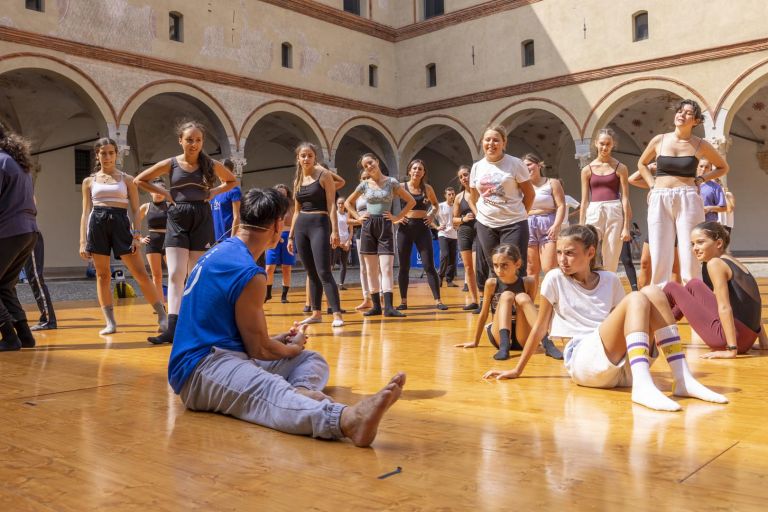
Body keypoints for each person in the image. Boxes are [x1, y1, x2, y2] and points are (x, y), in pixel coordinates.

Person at [167, 187, 406, 447]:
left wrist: (280, 343)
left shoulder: (222, 251)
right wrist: (290, 349)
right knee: (269, 389)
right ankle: (347, 420)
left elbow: (235, 332)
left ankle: (300, 394)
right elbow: (259, 349)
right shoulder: (248, 272)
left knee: (312, 360)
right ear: (277, 225)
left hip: (224, 355)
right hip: (200, 370)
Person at [483, 225, 728, 412]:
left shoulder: (610, 280)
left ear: (590, 252)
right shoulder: (554, 279)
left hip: (623, 364)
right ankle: (643, 386)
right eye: (559, 253)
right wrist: (517, 369)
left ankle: (681, 378)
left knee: (653, 292)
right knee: (637, 298)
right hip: (584, 360)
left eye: (570, 253)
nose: (562, 259)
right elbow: (539, 328)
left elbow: (627, 322)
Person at [135, 120, 237, 344]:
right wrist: (165, 193)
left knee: (197, 274)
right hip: (177, 217)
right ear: (180, 140)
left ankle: (197, 325)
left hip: (201, 216)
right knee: (175, 274)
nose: (194, 144)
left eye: (198, 140)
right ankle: (172, 328)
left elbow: (232, 180)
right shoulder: (171, 163)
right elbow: (140, 180)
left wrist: (214, 192)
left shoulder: (209, 163)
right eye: (189, 139)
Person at [79, 138, 168, 336]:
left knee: (140, 273)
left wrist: (136, 235)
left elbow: (135, 210)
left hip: (121, 223)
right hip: (97, 224)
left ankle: (162, 316)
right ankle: (110, 322)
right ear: (97, 155)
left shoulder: (127, 179)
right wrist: (83, 241)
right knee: (102, 275)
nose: (107, 157)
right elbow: (85, 213)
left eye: (111, 152)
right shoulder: (89, 182)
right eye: (103, 153)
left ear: (116, 154)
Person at [637, 99, 729, 285]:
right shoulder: (660, 140)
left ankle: (693, 291)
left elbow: (722, 167)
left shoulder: (700, 144)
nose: (682, 115)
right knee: (659, 249)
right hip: (660, 196)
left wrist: (701, 179)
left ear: (696, 121)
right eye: (680, 111)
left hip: (687, 197)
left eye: (688, 113)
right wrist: (652, 185)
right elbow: (642, 164)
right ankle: (660, 294)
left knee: (690, 249)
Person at [663, 222, 768, 357]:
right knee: (693, 284)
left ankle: (657, 329)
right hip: (747, 337)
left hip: (730, 340)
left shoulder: (715, 264)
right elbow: (753, 302)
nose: (695, 248)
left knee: (672, 287)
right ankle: (665, 325)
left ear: (718, 243)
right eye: (692, 244)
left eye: (700, 242)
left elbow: (724, 307)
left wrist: (732, 350)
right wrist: (764, 341)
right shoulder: (733, 261)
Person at [455, 244, 561, 360]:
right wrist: (475, 341)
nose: (499, 270)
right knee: (507, 295)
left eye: (504, 265)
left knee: (522, 297)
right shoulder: (491, 283)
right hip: (499, 335)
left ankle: (548, 344)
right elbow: (484, 314)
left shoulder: (528, 282)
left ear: (517, 264)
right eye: (496, 265)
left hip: (522, 335)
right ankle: (504, 346)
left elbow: (530, 314)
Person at [344, 153, 415, 317]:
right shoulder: (364, 184)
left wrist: (397, 217)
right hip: (368, 226)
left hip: (385, 225)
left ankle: (388, 307)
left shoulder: (391, 182)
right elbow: (348, 202)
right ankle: (376, 306)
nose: (369, 166)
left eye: (370, 162)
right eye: (365, 166)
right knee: (371, 269)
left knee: (386, 267)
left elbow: (411, 201)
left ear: (376, 161)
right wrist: (358, 217)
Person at [285, 143, 345, 327]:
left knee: (324, 271)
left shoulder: (324, 175)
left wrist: (335, 230)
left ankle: (337, 315)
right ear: (298, 158)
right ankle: (316, 313)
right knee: (311, 273)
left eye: (310, 155)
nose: (306, 159)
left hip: (320, 224)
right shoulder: (297, 180)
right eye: (303, 155)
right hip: (301, 226)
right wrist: (291, 236)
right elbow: (296, 211)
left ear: (315, 158)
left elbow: (332, 205)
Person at [469, 125, 535, 278]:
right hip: (486, 224)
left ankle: (516, 294)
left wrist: (520, 214)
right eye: (487, 140)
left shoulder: (515, 163)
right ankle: (497, 295)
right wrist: (479, 215)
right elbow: (473, 197)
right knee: (495, 269)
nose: (491, 143)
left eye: (496, 140)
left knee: (514, 269)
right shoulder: (477, 167)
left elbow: (530, 194)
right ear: (482, 142)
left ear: (504, 143)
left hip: (514, 224)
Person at [0, 122, 39, 351]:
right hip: (28, 231)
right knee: (4, 286)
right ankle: (25, 336)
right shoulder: (14, 161)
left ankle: (10, 337)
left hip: (9, 230)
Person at [579, 128, 632, 273]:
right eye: (602, 143)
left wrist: (626, 226)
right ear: (596, 143)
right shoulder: (587, 170)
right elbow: (584, 200)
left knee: (612, 252)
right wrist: (581, 224)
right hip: (594, 210)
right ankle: (589, 280)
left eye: (608, 144)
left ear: (613, 145)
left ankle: (609, 282)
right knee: (589, 248)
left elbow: (625, 198)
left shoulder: (621, 168)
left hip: (614, 209)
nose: (604, 147)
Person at [396, 159, 446, 311]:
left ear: (424, 172)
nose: (417, 171)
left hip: (422, 228)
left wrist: (431, 216)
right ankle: (403, 301)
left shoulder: (427, 188)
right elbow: (387, 202)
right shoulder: (401, 187)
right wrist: (396, 218)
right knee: (404, 266)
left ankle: (438, 300)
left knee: (429, 265)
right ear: (409, 171)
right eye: (414, 168)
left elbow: (435, 205)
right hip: (405, 228)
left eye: (420, 169)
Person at [523, 153, 566, 294]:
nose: (527, 168)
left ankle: (554, 301)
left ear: (539, 165)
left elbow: (561, 205)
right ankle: (530, 302)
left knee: (549, 268)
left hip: (548, 224)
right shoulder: (522, 185)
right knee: (531, 269)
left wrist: (556, 225)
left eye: (529, 164)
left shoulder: (552, 182)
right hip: (528, 224)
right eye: (524, 166)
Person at [135, 177, 168, 306]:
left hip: (169, 241)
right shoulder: (146, 207)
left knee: (174, 274)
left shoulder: (170, 205)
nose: (158, 193)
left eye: (161, 190)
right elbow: (135, 222)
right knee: (156, 276)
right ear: (150, 192)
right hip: (152, 242)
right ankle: (160, 306)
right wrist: (139, 238)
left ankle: (176, 306)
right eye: (155, 190)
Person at [454, 165, 481, 310]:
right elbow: (454, 220)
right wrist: (463, 219)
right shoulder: (459, 197)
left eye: (466, 174)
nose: (464, 178)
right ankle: (474, 301)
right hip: (464, 232)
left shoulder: (481, 192)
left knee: (477, 267)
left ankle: (483, 299)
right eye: (461, 177)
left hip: (479, 231)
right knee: (468, 267)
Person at [349, 168, 375, 311]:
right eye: (363, 178)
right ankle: (367, 298)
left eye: (368, 177)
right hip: (361, 231)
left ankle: (381, 297)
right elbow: (348, 220)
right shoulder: (357, 196)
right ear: (360, 180)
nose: (366, 180)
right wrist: (359, 219)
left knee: (378, 266)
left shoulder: (378, 193)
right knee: (364, 267)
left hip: (377, 230)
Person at [264, 184, 295, 303]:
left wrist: (292, 237)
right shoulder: (271, 205)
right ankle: (268, 294)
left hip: (288, 236)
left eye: (284, 193)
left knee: (286, 267)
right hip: (273, 236)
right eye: (279, 192)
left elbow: (295, 222)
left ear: (287, 194)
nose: (282, 195)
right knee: (269, 267)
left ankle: (284, 295)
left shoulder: (292, 206)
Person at [23, 229, 57, 331]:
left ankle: (48, 320)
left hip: (26, 234)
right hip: (13, 237)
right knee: (8, 282)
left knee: (35, 278)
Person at [210, 158, 242, 242]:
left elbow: (237, 217)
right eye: (220, 172)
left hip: (228, 238)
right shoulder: (215, 191)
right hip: (214, 238)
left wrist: (232, 239)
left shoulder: (234, 191)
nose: (223, 175)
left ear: (231, 172)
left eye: (226, 172)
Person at [437, 187, 458, 288]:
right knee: (445, 255)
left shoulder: (457, 206)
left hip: (454, 235)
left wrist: (459, 225)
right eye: (449, 194)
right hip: (443, 234)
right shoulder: (440, 206)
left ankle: (449, 280)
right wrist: (436, 227)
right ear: (445, 195)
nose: (451, 196)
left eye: (453, 194)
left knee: (453, 259)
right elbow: (428, 216)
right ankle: (440, 277)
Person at [333, 196, 353, 290]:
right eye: (339, 203)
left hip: (346, 242)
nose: (341, 205)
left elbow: (351, 230)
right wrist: (339, 243)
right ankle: (328, 284)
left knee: (343, 264)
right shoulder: (334, 215)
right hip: (337, 242)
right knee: (332, 263)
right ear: (336, 204)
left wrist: (348, 242)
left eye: (342, 203)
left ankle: (341, 284)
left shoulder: (347, 215)